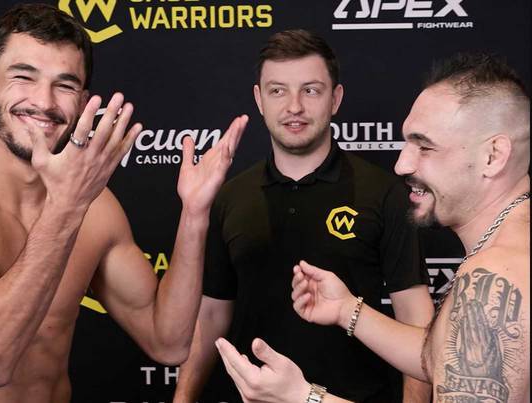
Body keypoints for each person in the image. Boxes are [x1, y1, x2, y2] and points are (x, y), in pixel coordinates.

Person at [0, 4, 248, 402]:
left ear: (83, 102)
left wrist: (194, 214)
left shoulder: (94, 206)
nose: (44, 102)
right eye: (23, 77)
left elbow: (167, 342)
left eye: (64, 85)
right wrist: (66, 208)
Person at [215, 52, 530, 403]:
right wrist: (349, 309)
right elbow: (441, 358)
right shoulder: (512, 247)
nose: (402, 164)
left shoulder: (495, 276)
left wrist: (303, 396)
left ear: (493, 156)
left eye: (424, 146)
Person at [174, 29, 434, 403]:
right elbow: (211, 315)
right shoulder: (228, 197)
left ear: (335, 98)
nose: (294, 106)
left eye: (310, 90)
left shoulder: (384, 194)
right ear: (259, 99)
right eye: (278, 91)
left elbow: (414, 317)